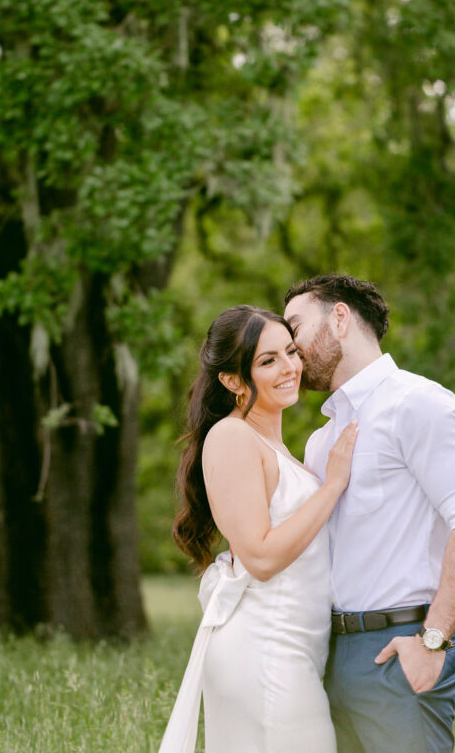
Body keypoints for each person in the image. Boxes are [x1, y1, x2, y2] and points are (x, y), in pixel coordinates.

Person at [284, 274, 455, 753]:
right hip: (329, 651)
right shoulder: (320, 441)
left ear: (339, 318)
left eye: (295, 327)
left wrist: (432, 643)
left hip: (399, 647)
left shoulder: (418, 403)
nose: (290, 346)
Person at [159, 304, 359, 753]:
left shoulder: (277, 446)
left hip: (296, 650)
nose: (289, 367)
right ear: (231, 380)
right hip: (264, 648)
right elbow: (261, 557)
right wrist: (333, 486)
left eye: (290, 351)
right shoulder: (232, 437)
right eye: (267, 361)